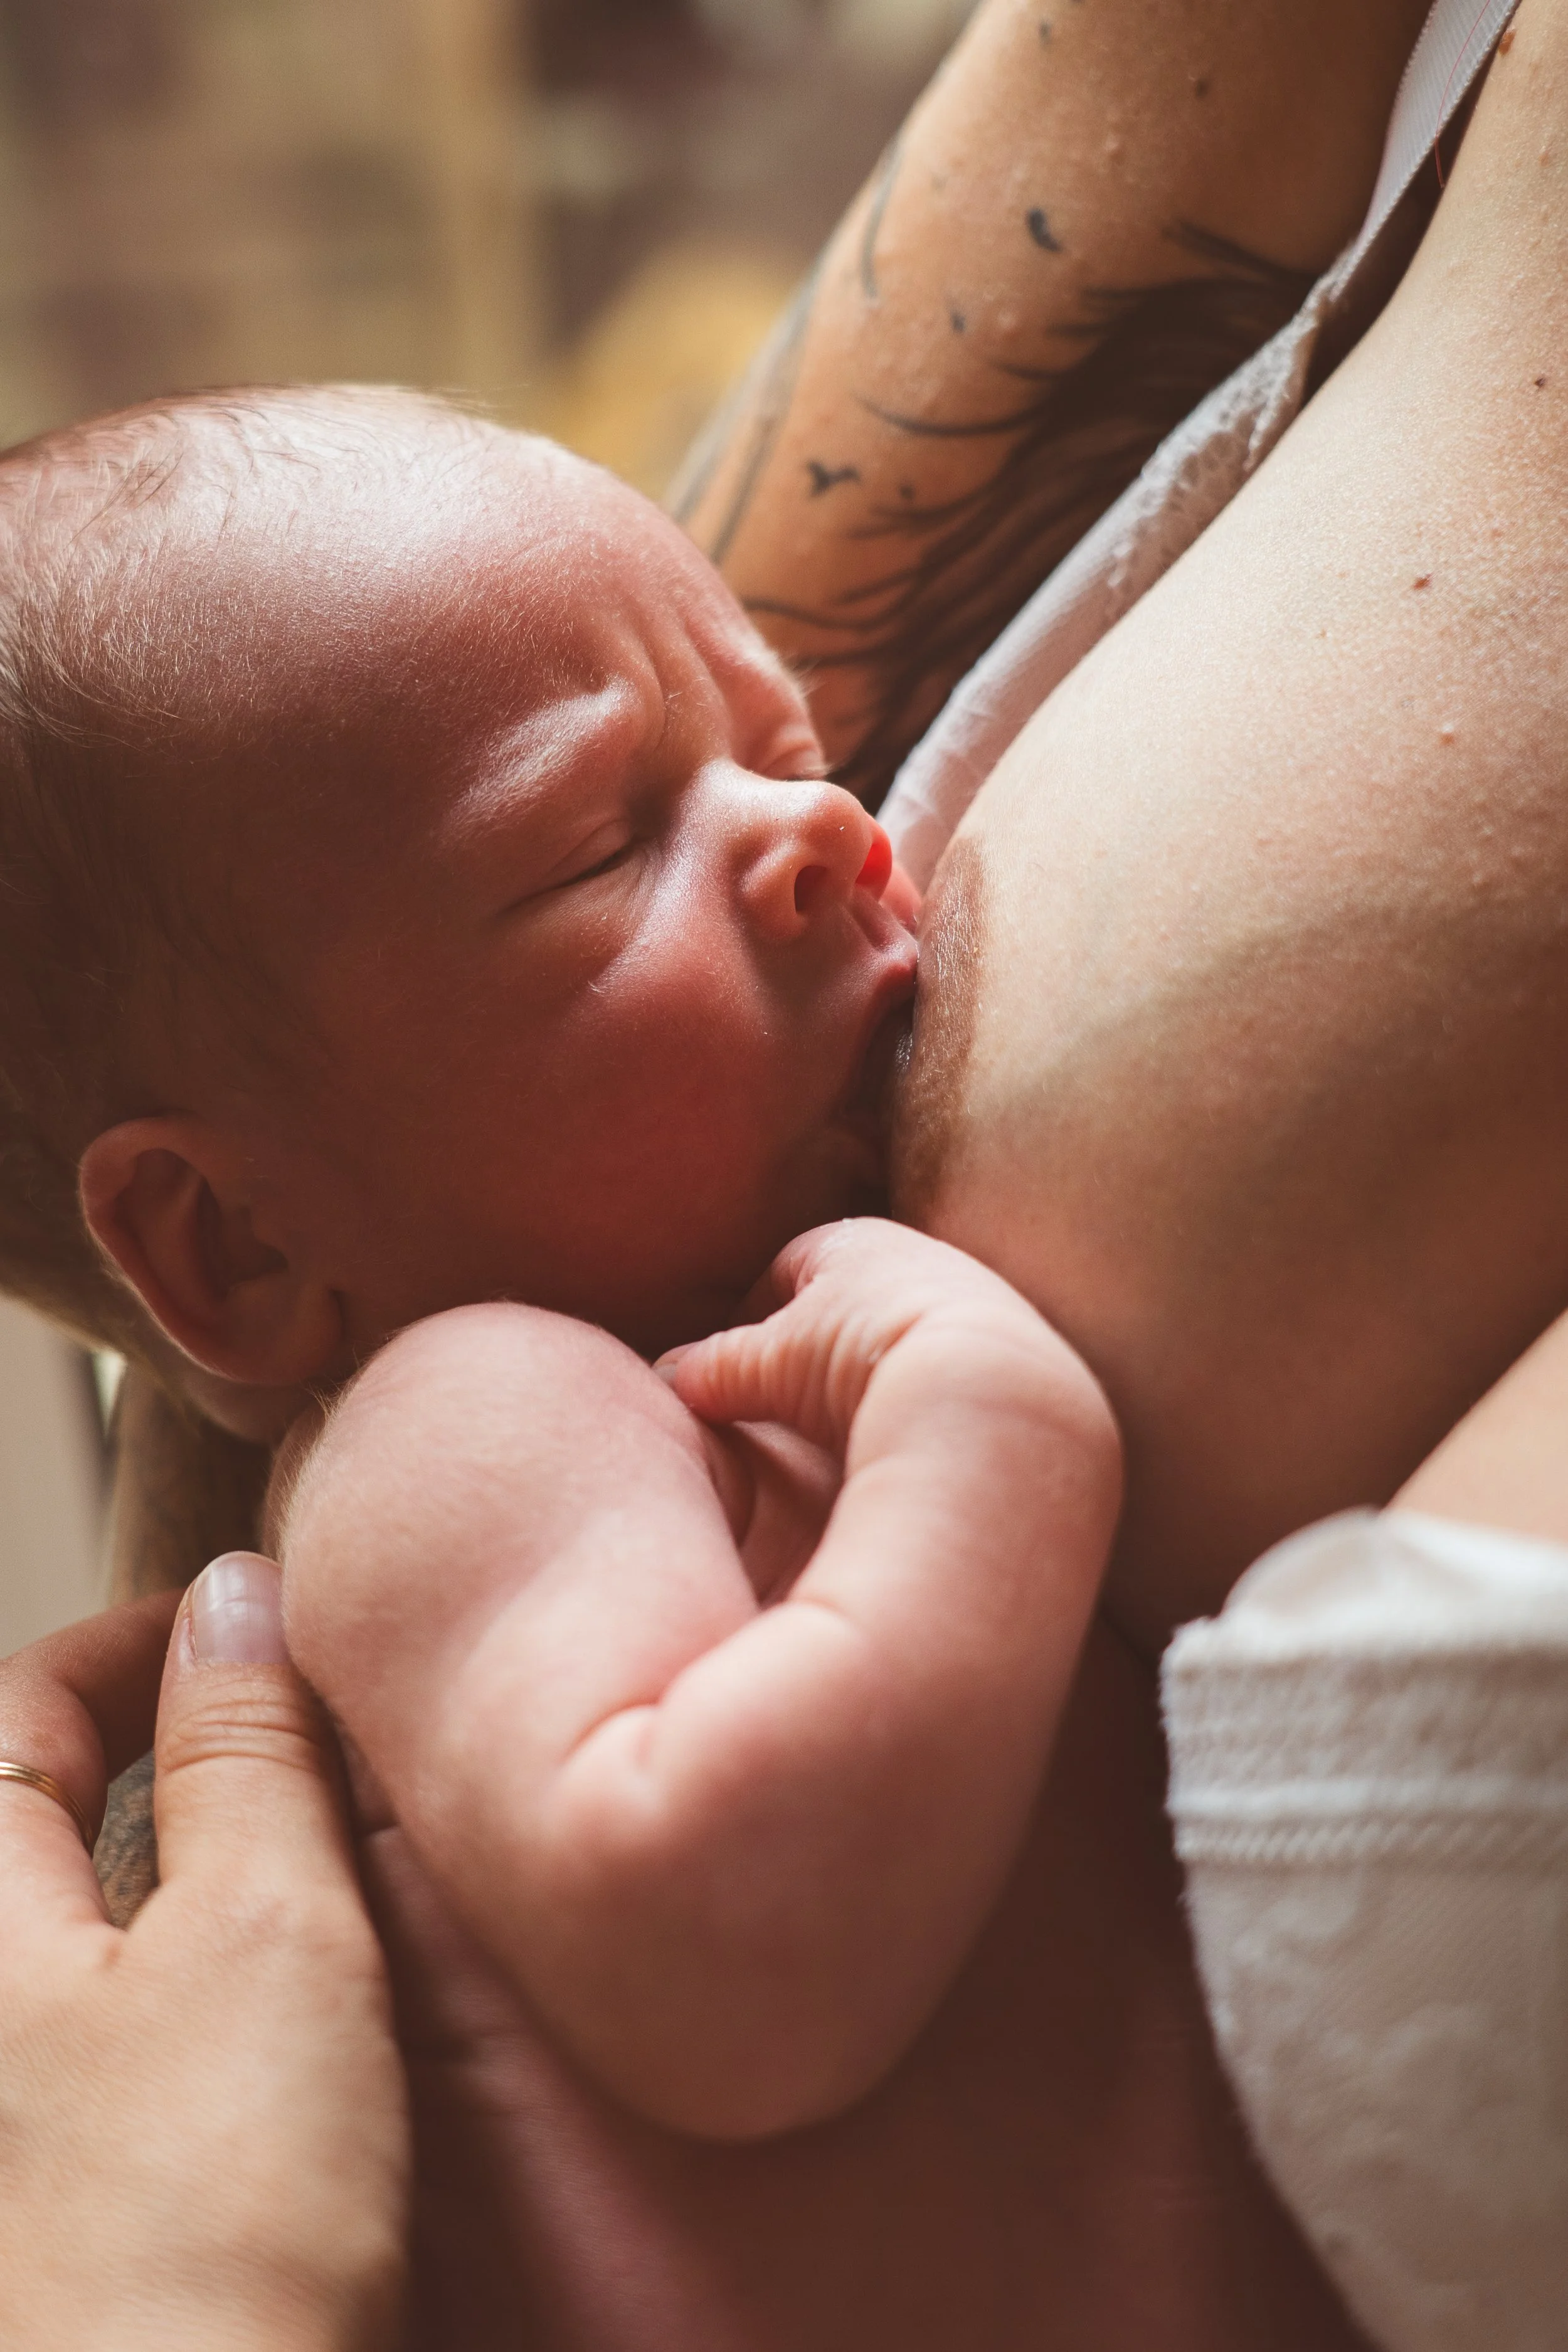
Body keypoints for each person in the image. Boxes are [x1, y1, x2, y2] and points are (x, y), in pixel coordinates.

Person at [6, 0, 1567, 2343]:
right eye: (597, 840)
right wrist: (987, 1426)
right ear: (230, 1243)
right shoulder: (467, 1424)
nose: (818, 828)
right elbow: (730, 1938)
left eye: (780, 738)